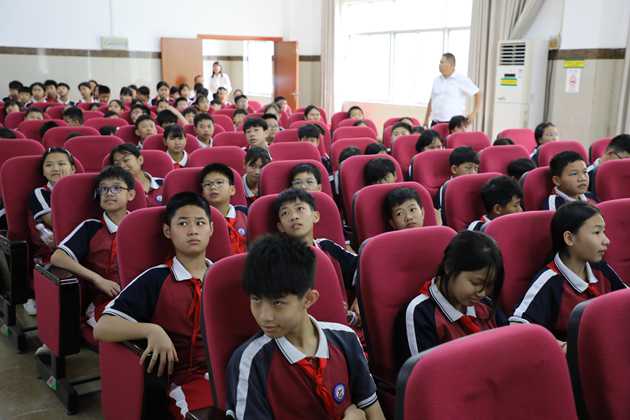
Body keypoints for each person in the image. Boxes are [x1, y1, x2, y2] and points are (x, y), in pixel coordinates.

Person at [226, 234, 384, 420]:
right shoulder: (250, 362)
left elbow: (374, 412)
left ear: (309, 299)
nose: (264, 316)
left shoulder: (345, 339)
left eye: (277, 303)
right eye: (256, 300)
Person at [95, 192, 215, 419]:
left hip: (226, 374)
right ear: (167, 231)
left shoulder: (222, 277)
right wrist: (151, 330)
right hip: (184, 381)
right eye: (183, 223)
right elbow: (103, 327)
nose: (192, 230)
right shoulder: (156, 278)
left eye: (200, 223)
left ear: (211, 228)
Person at [510, 202, 627, 342]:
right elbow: (518, 327)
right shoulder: (549, 281)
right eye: (597, 232)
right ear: (569, 238)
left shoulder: (600, 268)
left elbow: (625, 299)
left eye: (604, 232)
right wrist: (563, 347)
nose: (606, 240)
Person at [394, 231, 507, 368]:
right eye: (476, 283)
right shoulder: (420, 314)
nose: (482, 293)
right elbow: (423, 375)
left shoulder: (485, 306)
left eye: (488, 285)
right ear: (449, 267)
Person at [51, 166, 136, 333]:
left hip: (138, 298)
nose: (109, 193)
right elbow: (58, 257)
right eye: (103, 189)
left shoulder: (140, 225)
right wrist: (98, 279)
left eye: (116, 188)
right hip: (104, 302)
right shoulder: (91, 227)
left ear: (131, 195)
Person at [25, 148, 77, 315]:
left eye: (61, 164)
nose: (55, 168)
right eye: (49, 165)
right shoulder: (40, 193)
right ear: (43, 171)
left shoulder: (80, 190)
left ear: (73, 169)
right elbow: (54, 222)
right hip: (51, 250)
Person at [199, 164, 248, 254]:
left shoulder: (246, 214)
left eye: (219, 182)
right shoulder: (199, 220)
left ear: (232, 190)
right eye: (208, 184)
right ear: (202, 193)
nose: (213, 187)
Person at [423, 53, 480, 127]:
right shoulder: (436, 80)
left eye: (442, 62)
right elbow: (432, 100)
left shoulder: (461, 79)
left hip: (453, 124)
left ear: (450, 65)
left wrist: (474, 113)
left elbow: (477, 93)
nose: (439, 65)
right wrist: (426, 119)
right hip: (435, 122)